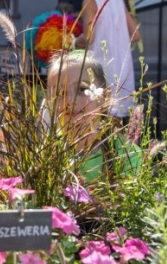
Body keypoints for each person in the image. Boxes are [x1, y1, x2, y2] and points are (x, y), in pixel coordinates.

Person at [46, 50, 141, 183]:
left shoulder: (125, 153)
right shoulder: (48, 153)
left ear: (104, 96)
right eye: (60, 92)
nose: (69, 100)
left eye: (81, 89)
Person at [74, 0, 138, 121]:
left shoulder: (90, 1)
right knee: (120, 127)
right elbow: (136, 35)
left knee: (99, 122)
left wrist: (74, 41)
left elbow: (89, 37)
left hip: (102, 70)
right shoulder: (118, 0)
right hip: (123, 71)